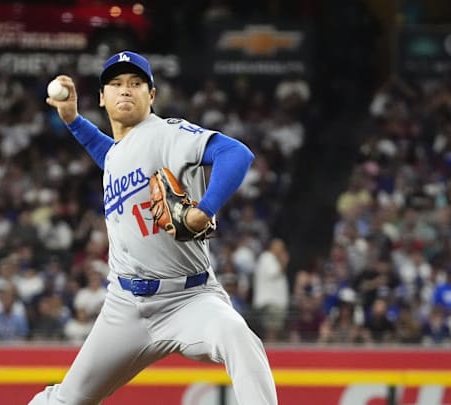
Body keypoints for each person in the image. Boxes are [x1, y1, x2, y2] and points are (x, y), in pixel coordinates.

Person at [29, 51, 278, 404]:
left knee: (238, 335)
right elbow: (112, 157)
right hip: (125, 305)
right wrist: (73, 120)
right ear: (102, 97)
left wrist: (204, 210)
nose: (125, 91)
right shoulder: (120, 151)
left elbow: (236, 154)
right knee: (64, 400)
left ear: (152, 95)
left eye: (135, 84)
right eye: (115, 84)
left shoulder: (166, 133)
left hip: (188, 299)